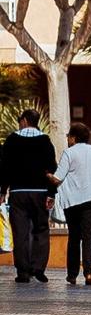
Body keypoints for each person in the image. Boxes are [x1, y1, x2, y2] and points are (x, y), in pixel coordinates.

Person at [49, 122, 91, 286]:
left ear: (73, 138)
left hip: (73, 202)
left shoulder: (69, 153)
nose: (68, 140)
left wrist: (47, 175)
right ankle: (89, 273)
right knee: (88, 237)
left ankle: (72, 274)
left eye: (68, 137)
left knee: (74, 237)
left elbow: (58, 178)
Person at [0, 109, 57, 283]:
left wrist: (3, 191)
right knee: (41, 229)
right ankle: (39, 267)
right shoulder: (45, 141)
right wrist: (51, 193)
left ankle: (23, 272)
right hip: (40, 192)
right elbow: (51, 170)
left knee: (20, 232)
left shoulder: (11, 140)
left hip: (18, 193)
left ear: (24, 120)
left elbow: (5, 168)